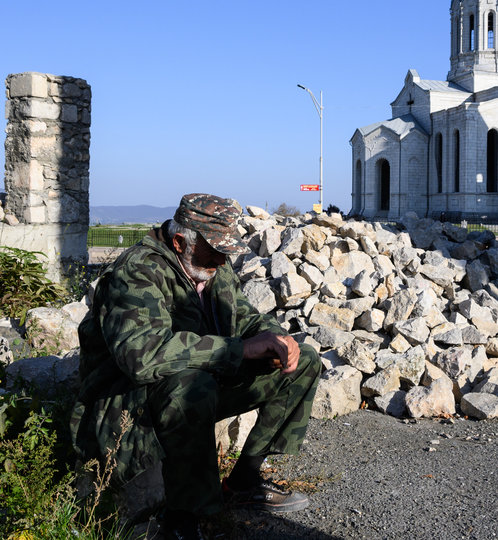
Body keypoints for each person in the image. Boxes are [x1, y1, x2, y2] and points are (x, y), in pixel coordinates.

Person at [70, 194, 321, 540]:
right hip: (127, 402)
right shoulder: (137, 272)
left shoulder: (212, 267)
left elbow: (244, 318)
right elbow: (142, 357)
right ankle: (183, 520)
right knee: (192, 386)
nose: (222, 259)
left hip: (197, 384)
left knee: (305, 360)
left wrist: (276, 339)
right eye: (214, 251)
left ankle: (244, 482)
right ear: (179, 241)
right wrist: (238, 349)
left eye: (226, 251)